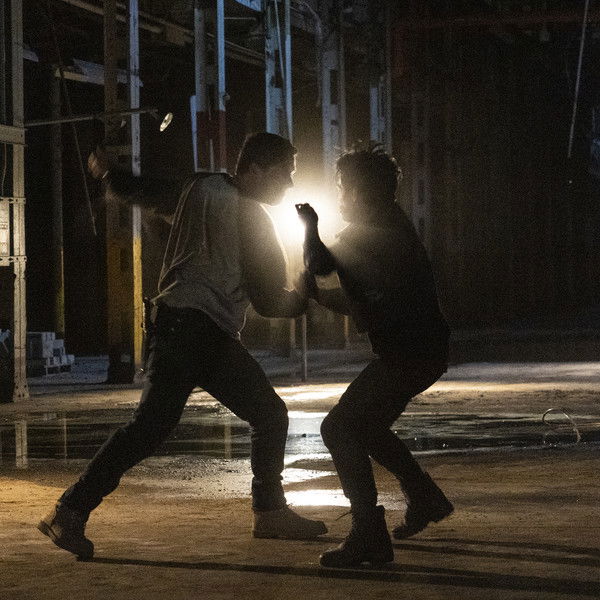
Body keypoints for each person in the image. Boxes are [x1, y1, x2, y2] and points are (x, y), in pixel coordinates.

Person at [38, 132, 327, 560]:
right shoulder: (253, 218)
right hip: (201, 332)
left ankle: (71, 511)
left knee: (162, 427)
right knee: (258, 416)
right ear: (256, 169)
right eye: (285, 173)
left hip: (178, 325)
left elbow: (144, 191)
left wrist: (110, 175)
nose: (288, 183)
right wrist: (306, 295)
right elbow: (269, 302)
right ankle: (69, 510)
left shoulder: (201, 186)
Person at [296, 143, 453, 568]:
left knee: (337, 428)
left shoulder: (371, 233)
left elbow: (319, 263)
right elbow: (364, 301)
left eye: (343, 188)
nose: (340, 197)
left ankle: (368, 534)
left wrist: (309, 226)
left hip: (409, 354)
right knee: (366, 427)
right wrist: (319, 297)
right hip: (420, 351)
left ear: (360, 192)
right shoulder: (386, 226)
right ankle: (424, 496)